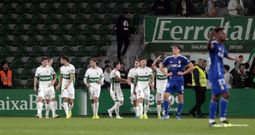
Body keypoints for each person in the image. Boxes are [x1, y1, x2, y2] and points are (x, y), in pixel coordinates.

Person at [207, 27, 238, 127]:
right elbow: (209, 47)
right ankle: (222, 118)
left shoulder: (222, 46)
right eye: (222, 33)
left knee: (216, 96)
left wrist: (234, 58)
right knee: (226, 94)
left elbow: (225, 55)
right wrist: (211, 38)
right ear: (217, 35)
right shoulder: (215, 44)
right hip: (215, 73)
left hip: (218, 72)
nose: (225, 35)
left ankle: (212, 120)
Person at [159, 45, 194, 120]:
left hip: (179, 80)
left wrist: (183, 73)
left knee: (180, 98)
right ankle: (166, 115)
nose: (174, 50)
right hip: (171, 79)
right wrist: (166, 74)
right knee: (165, 96)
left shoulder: (183, 58)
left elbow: (192, 66)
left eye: (175, 49)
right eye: (173, 49)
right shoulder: (168, 58)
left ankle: (178, 114)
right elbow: (161, 67)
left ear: (179, 50)